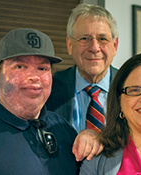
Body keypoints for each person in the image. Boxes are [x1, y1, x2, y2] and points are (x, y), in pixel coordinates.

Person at [0, 28, 102, 175]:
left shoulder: (63, 128)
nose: (34, 76)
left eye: (42, 68)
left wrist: (95, 138)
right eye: (20, 66)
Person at [45, 3, 119, 133]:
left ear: (115, 46)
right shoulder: (48, 89)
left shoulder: (130, 88)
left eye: (102, 39)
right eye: (85, 38)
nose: (94, 48)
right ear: (70, 45)